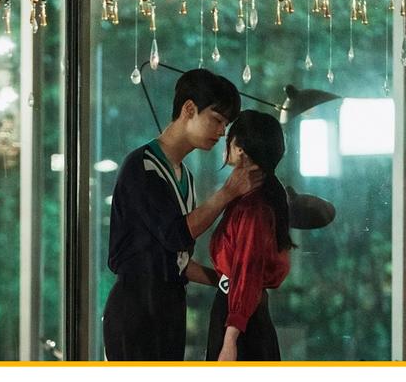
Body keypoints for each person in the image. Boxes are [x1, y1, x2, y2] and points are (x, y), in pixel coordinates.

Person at [103, 69, 264, 361]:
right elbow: (176, 234)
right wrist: (227, 193)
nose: (222, 132)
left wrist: (226, 280)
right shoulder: (143, 166)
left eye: (226, 125)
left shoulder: (186, 176)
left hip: (169, 305)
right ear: (189, 109)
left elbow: (178, 260)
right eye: (217, 119)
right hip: (137, 306)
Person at [206, 109, 295, 361]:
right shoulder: (253, 200)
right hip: (241, 313)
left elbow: (248, 273)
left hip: (239, 320)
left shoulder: (253, 208)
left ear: (240, 150)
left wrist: (230, 340)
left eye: (228, 137)